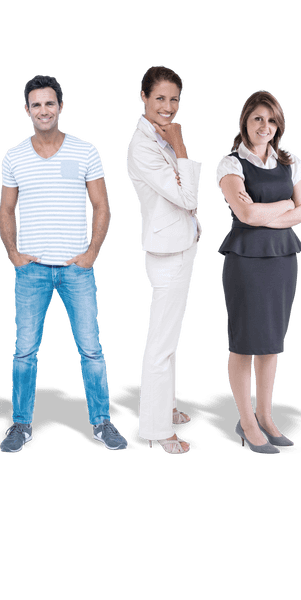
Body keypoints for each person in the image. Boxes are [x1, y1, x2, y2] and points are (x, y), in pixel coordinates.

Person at [0, 74, 128, 453]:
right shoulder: (14, 156)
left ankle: (102, 423)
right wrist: (13, 253)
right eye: (36, 104)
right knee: (24, 352)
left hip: (77, 269)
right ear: (27, 110)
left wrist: (92, 253)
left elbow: (102, 205)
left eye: (49, 103)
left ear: (60, 107)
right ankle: (21, 425)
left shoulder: (85, 151)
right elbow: (6, 210)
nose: (43, 110)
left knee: (91, 350)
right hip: (32, 270)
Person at [216, 90, 301, 454]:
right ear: (245, 121)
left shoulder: (290, 162)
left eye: (271, 120)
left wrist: (271, 210)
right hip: (246, 261)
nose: (264, 126)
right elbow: (246, 215)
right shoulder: (230, 165)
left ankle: (266, 417)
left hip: (283, 260)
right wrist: (285, 203)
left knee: (271, 343)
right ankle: (247, 423)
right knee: (244, 344)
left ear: (278, 126)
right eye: (258, 118)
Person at [126, 65, 201, 454]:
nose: (168, 106)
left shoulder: (161, 137)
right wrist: (182, 144)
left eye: (174, 99)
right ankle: (156, 429)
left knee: (170, 340)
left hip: (181, 245)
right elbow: (188, 197)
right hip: (167, 252)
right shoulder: (142, 146)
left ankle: (165, 406)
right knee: (161, 342)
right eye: (160, 98)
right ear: (144, 98)